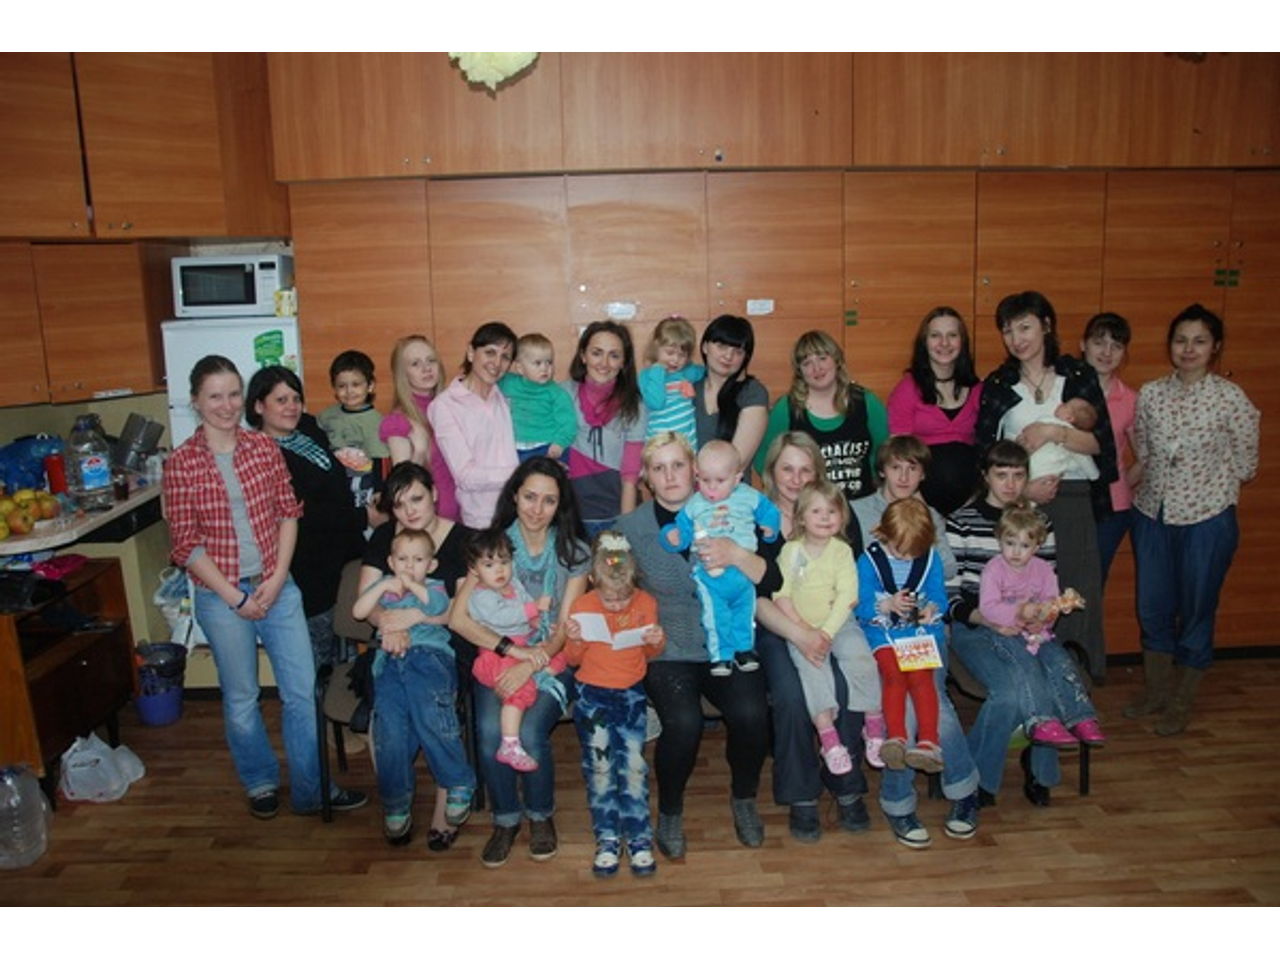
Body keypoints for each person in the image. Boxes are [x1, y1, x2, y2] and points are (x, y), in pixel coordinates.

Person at [163, 355, 366, 819]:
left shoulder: (263, 449)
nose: (226, 405)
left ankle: (312, 790)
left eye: (233, 394)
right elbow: (186, 544)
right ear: (196, 401)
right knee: (242, 697)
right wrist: (235, 596)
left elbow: (289, 515)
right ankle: (259, 782)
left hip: (278, 586)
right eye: (215, 396)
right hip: (220, 596)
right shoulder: (181, 463)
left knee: (301, 692)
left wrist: (275, 581)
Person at [616, 432, 773, 859]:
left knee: (752, 713)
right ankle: (670, 810)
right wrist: (638, 628)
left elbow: (771, 580)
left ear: (695, 470)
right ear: (647, 477)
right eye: (659, 468)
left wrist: (737, 554)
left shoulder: (737, 508)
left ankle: (744, 798)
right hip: (668, 645)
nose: (670, 476)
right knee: (683, 723)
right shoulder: (630, 528)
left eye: (678, 465)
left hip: (728, 643)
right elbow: (614, 594)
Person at [449, 457, 591, 868]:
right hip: (498, 656)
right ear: (514, 496)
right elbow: (459, 620)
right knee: (491, 730)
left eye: (549, 500)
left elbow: (563, 626)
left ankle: (541, 815)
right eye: (530, 497)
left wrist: (531, 663)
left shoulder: (574, 552)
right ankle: (506, 819)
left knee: (528, 731)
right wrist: (513, 653)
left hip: (552, 658)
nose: (537, 509)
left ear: (560, 505)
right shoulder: (490, 546)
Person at [1127, 303, 1259, 737]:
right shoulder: (1151, 394)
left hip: (1207, 518)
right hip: (1153, 514)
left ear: (1214, 347)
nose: (1188, 349)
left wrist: (1208, 485)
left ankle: (1182, 701)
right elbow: (1145, 448)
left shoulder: (1230, 399)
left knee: (1197, 607)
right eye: (1181, 340)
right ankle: (1156, 690)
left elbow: (1246, 463)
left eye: (1199, 341)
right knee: (1152, 606)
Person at [947, 440, 1101, 806]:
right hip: (976, 627)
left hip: (1029, 630)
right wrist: (989, 620)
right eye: (1001, 475)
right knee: (1010, 691)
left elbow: (1047, 585)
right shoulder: (961, 522)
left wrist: (1044, 615)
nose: (1010, 484)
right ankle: (976, 777)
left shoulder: (1039, 523)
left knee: (1045, 674)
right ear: (985, 476)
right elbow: (951, 596)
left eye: (1018, 475)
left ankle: (1037, 769)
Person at [975, 291, 1117, 685]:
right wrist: (1024, 493)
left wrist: (1052, 432)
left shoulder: (1078, 375)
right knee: (1024, 595)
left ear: (1046, 326)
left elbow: (1102, 445)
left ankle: (1076, 682)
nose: (1016, 339)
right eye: (1008, 331)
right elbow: (985, 455)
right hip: (1020, 504)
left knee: (1074, 591)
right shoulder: (998, 384)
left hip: (1073, 500)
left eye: (1025, 327)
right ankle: (1030, 680)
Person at [753, 431, 873, 843]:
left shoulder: (836, 514)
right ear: (771, 472)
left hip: (833, 622)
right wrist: (800, 634)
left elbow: (850, 583)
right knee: (790, 694)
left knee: (846, 682)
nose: (796, 478)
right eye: (787, 468)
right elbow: (757, 597)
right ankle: (801, 794)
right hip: (776, 624)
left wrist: (823, 630)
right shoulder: (755, 519)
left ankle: (846, 784)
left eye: (806, 470)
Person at [359, 461, 477, 845]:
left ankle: (447, 807)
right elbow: (366, 605)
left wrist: (415, 618)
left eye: (416, 499)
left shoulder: (463, 539)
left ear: (435, 494)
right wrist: (390, 626)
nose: (409, 511)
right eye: (398, 504)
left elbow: (462, 609)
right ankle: (397, 803)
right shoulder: (384, 539)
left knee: (431, 707)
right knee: (389, 720)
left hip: (446, 641)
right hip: (390, 642)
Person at [245, 365, 371, 672]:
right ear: (259, 406)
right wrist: (365, 516)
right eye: (281, 400)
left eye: (296, 398)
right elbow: (306, 515)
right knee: (315, 659)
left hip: (342, 554)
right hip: (309, 566)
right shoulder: (261, 454)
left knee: (346, 651)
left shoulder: (309, 428)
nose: (291, 407)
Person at [564, 530, 665, 877]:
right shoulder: (582, 606)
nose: (619, 605)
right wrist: (575, 640)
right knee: (600, 767)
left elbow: (650, 652)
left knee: (634, 767)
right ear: (593, 582)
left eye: (625, 597)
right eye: (610, 599)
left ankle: (639, 837)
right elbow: (573, 659)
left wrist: (656, 640)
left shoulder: (645, 602)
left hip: (631, 694)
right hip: (592, 696)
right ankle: (607, 837)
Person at [977, 505, 1106, 744]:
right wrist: (1018, 612)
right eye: (1010, 543)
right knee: (1027, 665)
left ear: (1037, 546)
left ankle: (1081, 717)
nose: (1016, 552)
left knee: (1060, 661)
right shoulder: (993, 570)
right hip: (1004, 633)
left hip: (1038, 634)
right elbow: (988, 608)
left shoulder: (1043, 569)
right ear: (999, 540)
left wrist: (1043, 620)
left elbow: (1051, 602)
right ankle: (1041, 720)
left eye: (1025, 546)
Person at [771, 478, 873, 777]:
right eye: (816, 511)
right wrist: (804, 629)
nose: (825, 517)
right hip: (802, 627)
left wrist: (826, 632)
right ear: (801, 517)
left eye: (832, 511)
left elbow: (848, 595)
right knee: (814, 672)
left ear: (842, 516)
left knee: (862, 658)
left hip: (839, 624)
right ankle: (829, 739)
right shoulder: (791, 552)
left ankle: (873, 723)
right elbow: (780, 594)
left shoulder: (842, 551)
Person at [757, 329, 890, 541]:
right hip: (811, 513)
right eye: (807, 363)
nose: (816, 368)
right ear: (799, 371)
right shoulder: (787, 409)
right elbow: (765, 459)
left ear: (836, 360)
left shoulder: (866, 402)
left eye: (822, 358)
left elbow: (885, 455)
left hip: (862, 506)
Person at [660, 439, 780, 675]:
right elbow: (681, 530)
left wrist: (770, 527)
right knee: (716, 617)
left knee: (744, 613)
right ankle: (721, 655)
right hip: (710, 575)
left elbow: (769, 511)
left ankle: (744, 650)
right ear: (697, 475)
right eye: (705, 481)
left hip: (743, 573)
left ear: (737, 478)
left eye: (720, 481)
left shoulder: (749, 496)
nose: (711, 488)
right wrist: (671, 537)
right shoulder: (694, 504)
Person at [855, 497, 947, 774]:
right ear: (885, 534)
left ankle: (929, 742)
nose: (907, 558)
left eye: (914, 553)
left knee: (921, 678)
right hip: (881, 629)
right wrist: (886, 605)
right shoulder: (869, 560)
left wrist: (932, 608)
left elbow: (939, 594)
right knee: (893, 675)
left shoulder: (930, 558)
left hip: (917, 630)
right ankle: (896, 737)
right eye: (901, 551)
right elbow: (859, 603)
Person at [464, 527, 563, 773]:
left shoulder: (513, 584)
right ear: (474, 569)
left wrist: (539, 624)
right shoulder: (480, 595)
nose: (499, 570)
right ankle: (509, 743)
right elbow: (503, 617)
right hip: (496, 655)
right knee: (519, 689)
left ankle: (539, 676)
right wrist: (533, 609)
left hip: (522, 645)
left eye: (504, 562)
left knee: (559, 656)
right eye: (489, 565)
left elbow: (524, 611)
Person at [887, 307, 984, 516]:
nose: (944, 343)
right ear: (924, 343)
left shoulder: (978, 389)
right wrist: (924, 511)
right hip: (920, 507)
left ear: (962, 342)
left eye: (952, 335)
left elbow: (986, 449)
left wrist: (973, 506)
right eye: (935, 336)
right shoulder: (907, 389)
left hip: (971, 507)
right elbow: (899, 454)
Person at [428, 321, 520, 528]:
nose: (497, 363)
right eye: (490, 352)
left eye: (505, 357)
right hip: (482, 520)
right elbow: (465, 476)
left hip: (520, 512)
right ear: (471, 353)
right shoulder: (444, 405)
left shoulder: (504, 396)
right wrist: (521, 473)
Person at [562, 320, 648, 539]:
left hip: (617, 513)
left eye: (614, 355)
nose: (604, 363)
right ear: (583, 356)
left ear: (624, 362)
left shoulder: (634, 404)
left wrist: (626, 529)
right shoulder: (563, 395)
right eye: (597, 353)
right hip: (570, 517)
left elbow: (630, 474)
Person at [1080, 312, 1142, 587]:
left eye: (1116, 346)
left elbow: (1146, 457)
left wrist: (1121, 484)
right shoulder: (1062, 389)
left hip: (1111, 509)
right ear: (1083, 345)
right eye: (1099, 343)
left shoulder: (1131, 400)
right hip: (1066, 499)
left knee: (1092, 583)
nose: (1107, 353)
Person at [380, 334, 458, 521]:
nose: (426, 368)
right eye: (415, 364)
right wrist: (420, 452)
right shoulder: (399, 421)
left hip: (461, 519)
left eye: (431, 360)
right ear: (403, 373)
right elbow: (402, 490)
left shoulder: (449, 408)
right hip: (428, 524)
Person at [316, 349, 390, 514]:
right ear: (334, 388)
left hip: (364, 483)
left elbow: (381, 459)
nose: (349, 391)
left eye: (356, 385)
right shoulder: (327, 415)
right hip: (335, 482)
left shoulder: (374, 420)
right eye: (342, 386)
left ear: (370, 385)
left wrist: (380, 490)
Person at [693, 314, 770, 471]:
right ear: (705, 347)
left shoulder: (753, 393)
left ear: (745, 358)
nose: (728, 356)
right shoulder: (688, 388)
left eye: (738, 351)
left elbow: (738, 463)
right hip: (686, 484)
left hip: (731, 485)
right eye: (721, 346)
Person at [498, 332, 577, 463]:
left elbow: (568, 423)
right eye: (537, 363)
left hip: (546, 447)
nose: (545, 368)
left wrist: (560, 443)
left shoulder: (556, 393)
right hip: (513, 447)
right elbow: (485, 381)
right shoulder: (507, 382)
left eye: (549, 362)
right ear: (520, 368)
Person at [639, 315, 705, 448]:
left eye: (682, 355)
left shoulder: (688, 372)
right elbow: (656, 403)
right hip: (658, 444)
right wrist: (657, 372)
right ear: (656, 347)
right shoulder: (647, 375)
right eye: (670, 353)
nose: (675, 360)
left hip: (687, 444)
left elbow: (711, 372)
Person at [1027, 397, 1101, 482]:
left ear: (1069, 418)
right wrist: (1094, 475)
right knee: (1072, 462)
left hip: (1032, 466)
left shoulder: (1047, 420)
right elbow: (1085, 459)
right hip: (1049, 472)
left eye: (1065, 406)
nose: (1060, 404)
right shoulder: (1075, 440)